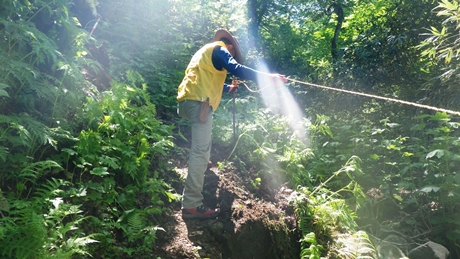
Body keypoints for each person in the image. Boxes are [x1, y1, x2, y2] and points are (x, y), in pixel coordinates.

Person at [177, 29, 287, 219]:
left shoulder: (205, 52)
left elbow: (205, 78)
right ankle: (191, 205)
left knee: (202, 146)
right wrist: (268, 77)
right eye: (232, 53)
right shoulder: (220, 50)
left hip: (187, 101)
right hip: (199, 103)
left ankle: (202, 166)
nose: (230, 55)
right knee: (200, 151)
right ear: (229, 47)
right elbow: (236, 68)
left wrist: (228, 88)